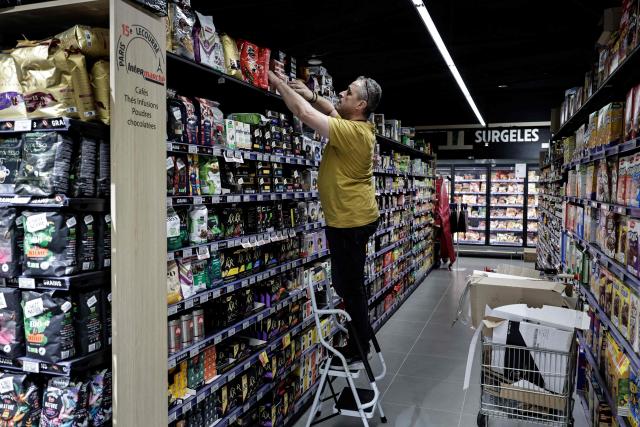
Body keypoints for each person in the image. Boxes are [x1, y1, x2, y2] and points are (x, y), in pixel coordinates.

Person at [268, 71, 382, 364]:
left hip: (350, 222)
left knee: (349, 286)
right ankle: (361, 335)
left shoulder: (355, 133)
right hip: (349, 219)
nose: (343, 94)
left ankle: (359, 346)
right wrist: (312, 94)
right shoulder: (356, 126)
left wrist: (276, 82)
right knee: (347, 283)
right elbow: (329, 109)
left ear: (361, 105)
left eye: (349, 92)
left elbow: (302, 112)